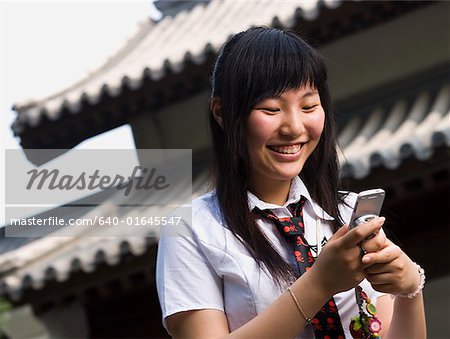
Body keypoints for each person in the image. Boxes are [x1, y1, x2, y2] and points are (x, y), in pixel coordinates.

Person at [156, 27, 426, 338]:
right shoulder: (191, 228)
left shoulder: (347, 213)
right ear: (222, 113)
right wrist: (320, 283)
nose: (294, 127)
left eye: (309, 106)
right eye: (271, 109)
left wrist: (410, 289)